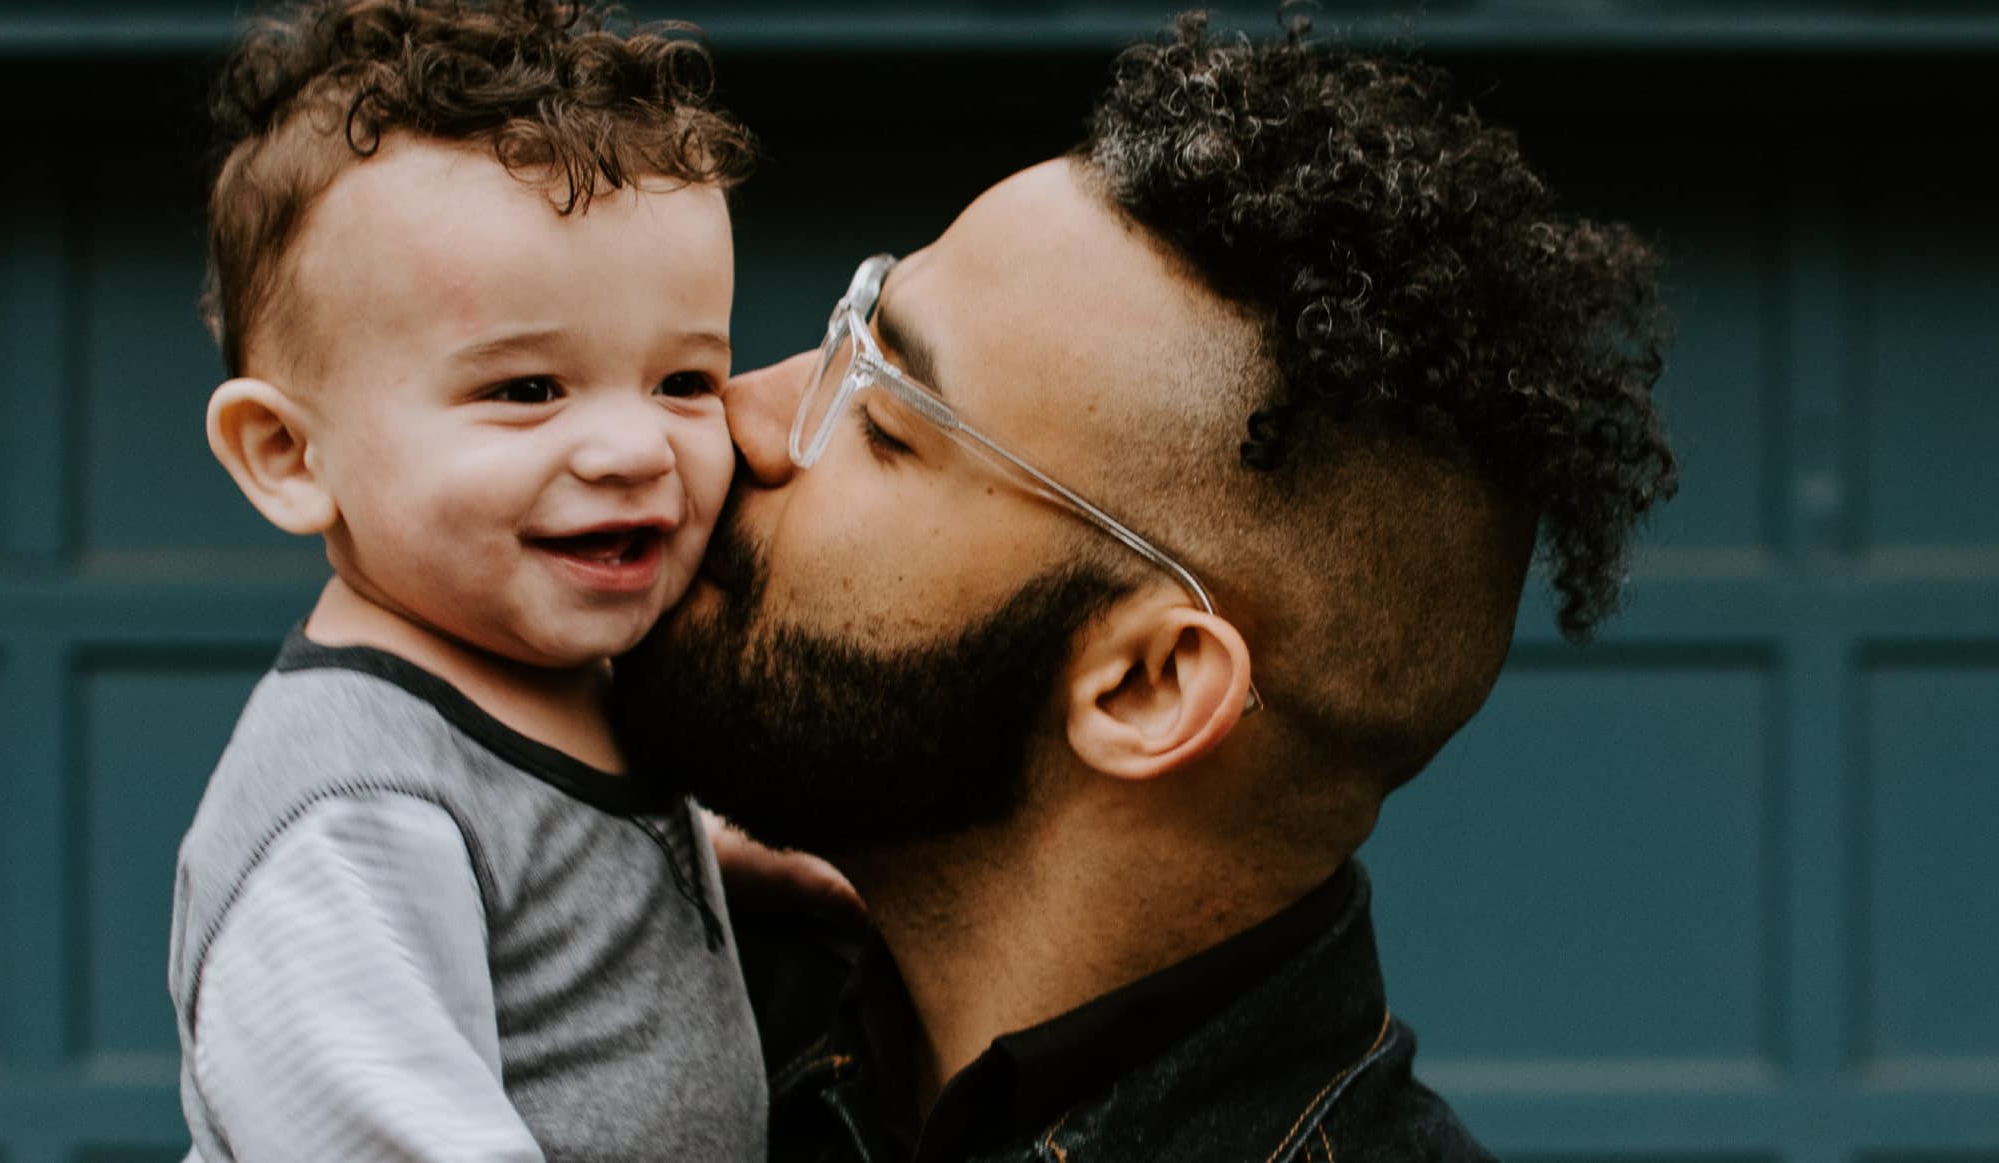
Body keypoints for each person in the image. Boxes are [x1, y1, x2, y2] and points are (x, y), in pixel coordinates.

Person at [610, 12, 1678, 1161]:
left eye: (883, 419)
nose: (738, 417)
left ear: (1147, 684)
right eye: (844, 336)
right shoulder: (644, 967)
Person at [167, 1, 766, 1158]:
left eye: (684, 379)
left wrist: (751, 864)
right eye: (527, 389)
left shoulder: (562, 674)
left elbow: (567, 866)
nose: (634, 448)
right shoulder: (352, 812)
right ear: (290, 456)